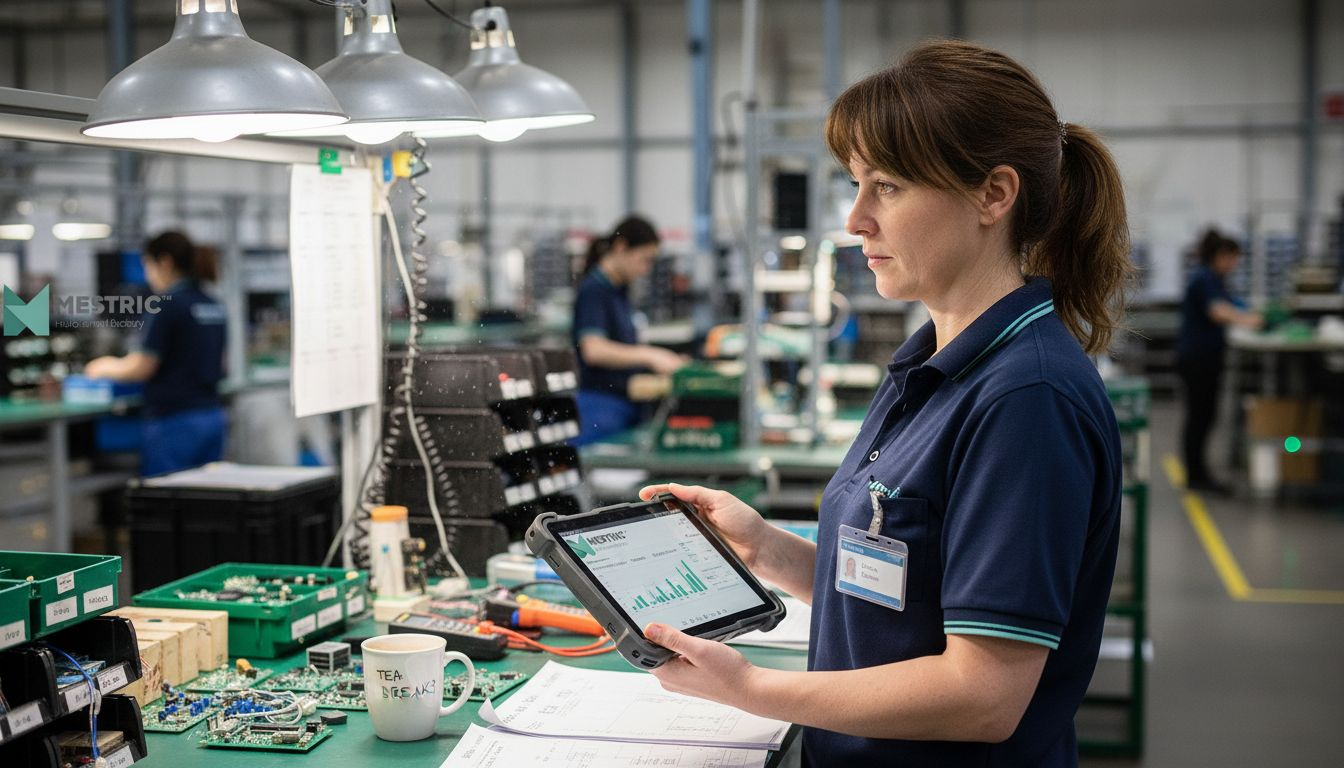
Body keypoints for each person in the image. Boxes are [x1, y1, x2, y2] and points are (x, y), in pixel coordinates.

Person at [635, 39, 1131, 766]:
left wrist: (749, 687)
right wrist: (766, 548)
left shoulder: (1027, 399)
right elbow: (898, 590)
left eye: (888, 187)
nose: (856, 219)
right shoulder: (931, 363)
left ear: (994, 195)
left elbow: (983, 695)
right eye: (856, 185)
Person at [86, 230, 227, 476]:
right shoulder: (212, 303)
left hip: (175, 421)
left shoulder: (165, 305)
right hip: (212, 417)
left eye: (148, 266)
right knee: (205, 499)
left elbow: (143, 366)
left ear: (164, 262)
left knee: (166, 501)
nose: (147, 275)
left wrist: (103, 367)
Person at [571, 215, 686, 445]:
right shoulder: (595, 291)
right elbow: (593, 350)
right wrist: (650, 356)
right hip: (600, 407)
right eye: (644, 260)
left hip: (621, 407)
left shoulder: (618, 291)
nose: (646, 269)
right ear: (621, 247)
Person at [1176, 229, 1263, 494]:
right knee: (1200, 416)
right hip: (1198, 358)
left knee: (1204, 415)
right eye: (1233, 259)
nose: (1234, 265)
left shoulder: (1214, 278)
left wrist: (1245, 310)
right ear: (1221, 256)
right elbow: (1217, 311)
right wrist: (1249, 320)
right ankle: (1195, 475)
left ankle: (1198, 472)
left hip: (1204, 357)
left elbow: (1229, 303)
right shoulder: (1204, 278)